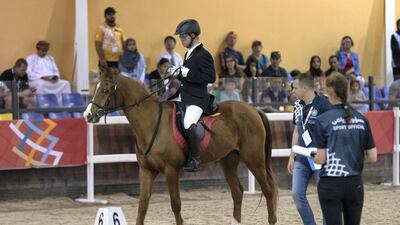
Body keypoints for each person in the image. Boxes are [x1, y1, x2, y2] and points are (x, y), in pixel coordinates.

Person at [313, 72, 377, 225]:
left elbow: (321, 159)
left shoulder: (323, 120)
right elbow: (373, 156)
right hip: (354, 183)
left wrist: (312, 155)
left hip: (330, 184)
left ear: (329, 91)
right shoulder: (362, 119)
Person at [169, 19, 216, 172]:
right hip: (184, 94)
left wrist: (188, 73)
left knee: (189, 122)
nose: (181, 40)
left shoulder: (203, 54)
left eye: (183, 37)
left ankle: (195, 159)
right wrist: (177, 74)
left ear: (193, 35)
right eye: (180, 37)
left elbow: (210, 77)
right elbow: (188, 78)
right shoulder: (188, 54)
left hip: (197, 98)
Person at [287, 73, 331, 225]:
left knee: (325, 195)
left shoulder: (324, 104)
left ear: (305, 88)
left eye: (295, 87)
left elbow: (331, 131)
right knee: (297, 194)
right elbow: (297, 130)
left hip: (320, 157)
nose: (292, 90)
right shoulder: (298, 105)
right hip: (302, 156)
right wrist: (292, 155)